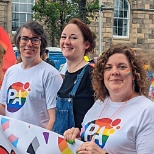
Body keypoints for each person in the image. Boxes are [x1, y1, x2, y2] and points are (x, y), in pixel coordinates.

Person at [64, 45, 154, 154]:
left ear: (134, 74)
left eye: (122, 67)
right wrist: (77, 139)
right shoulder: (99, 103)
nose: (114, 72)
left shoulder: (147, 110)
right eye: (108, 67)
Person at [0, 21, 63, 130]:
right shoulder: (11, 72)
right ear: (18, 41)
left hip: (36, 143)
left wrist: (43, 144)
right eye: (25, 39)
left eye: (35, 40)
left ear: (41, 43)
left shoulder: (50, 75)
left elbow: (55, 118)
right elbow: (4, 109)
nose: (29, 44)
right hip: (12, 142)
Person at [52, 18, 96, 135]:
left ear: (86, 44)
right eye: (63, 37)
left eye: (73, 37)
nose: (66, 42)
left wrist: (81, 132)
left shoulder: (92, 74)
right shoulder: (65, 75)